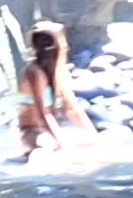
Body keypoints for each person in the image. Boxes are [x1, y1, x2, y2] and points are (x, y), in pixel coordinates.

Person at [16, 21, 93, 158]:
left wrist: (94, 136)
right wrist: (61, 142)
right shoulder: (35, 72)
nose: (66, 46)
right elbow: (42, 113)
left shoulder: (59, 72)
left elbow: (72, 109)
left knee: (88, 139)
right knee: (46, 144)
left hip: (50, 127)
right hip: (33, 131)